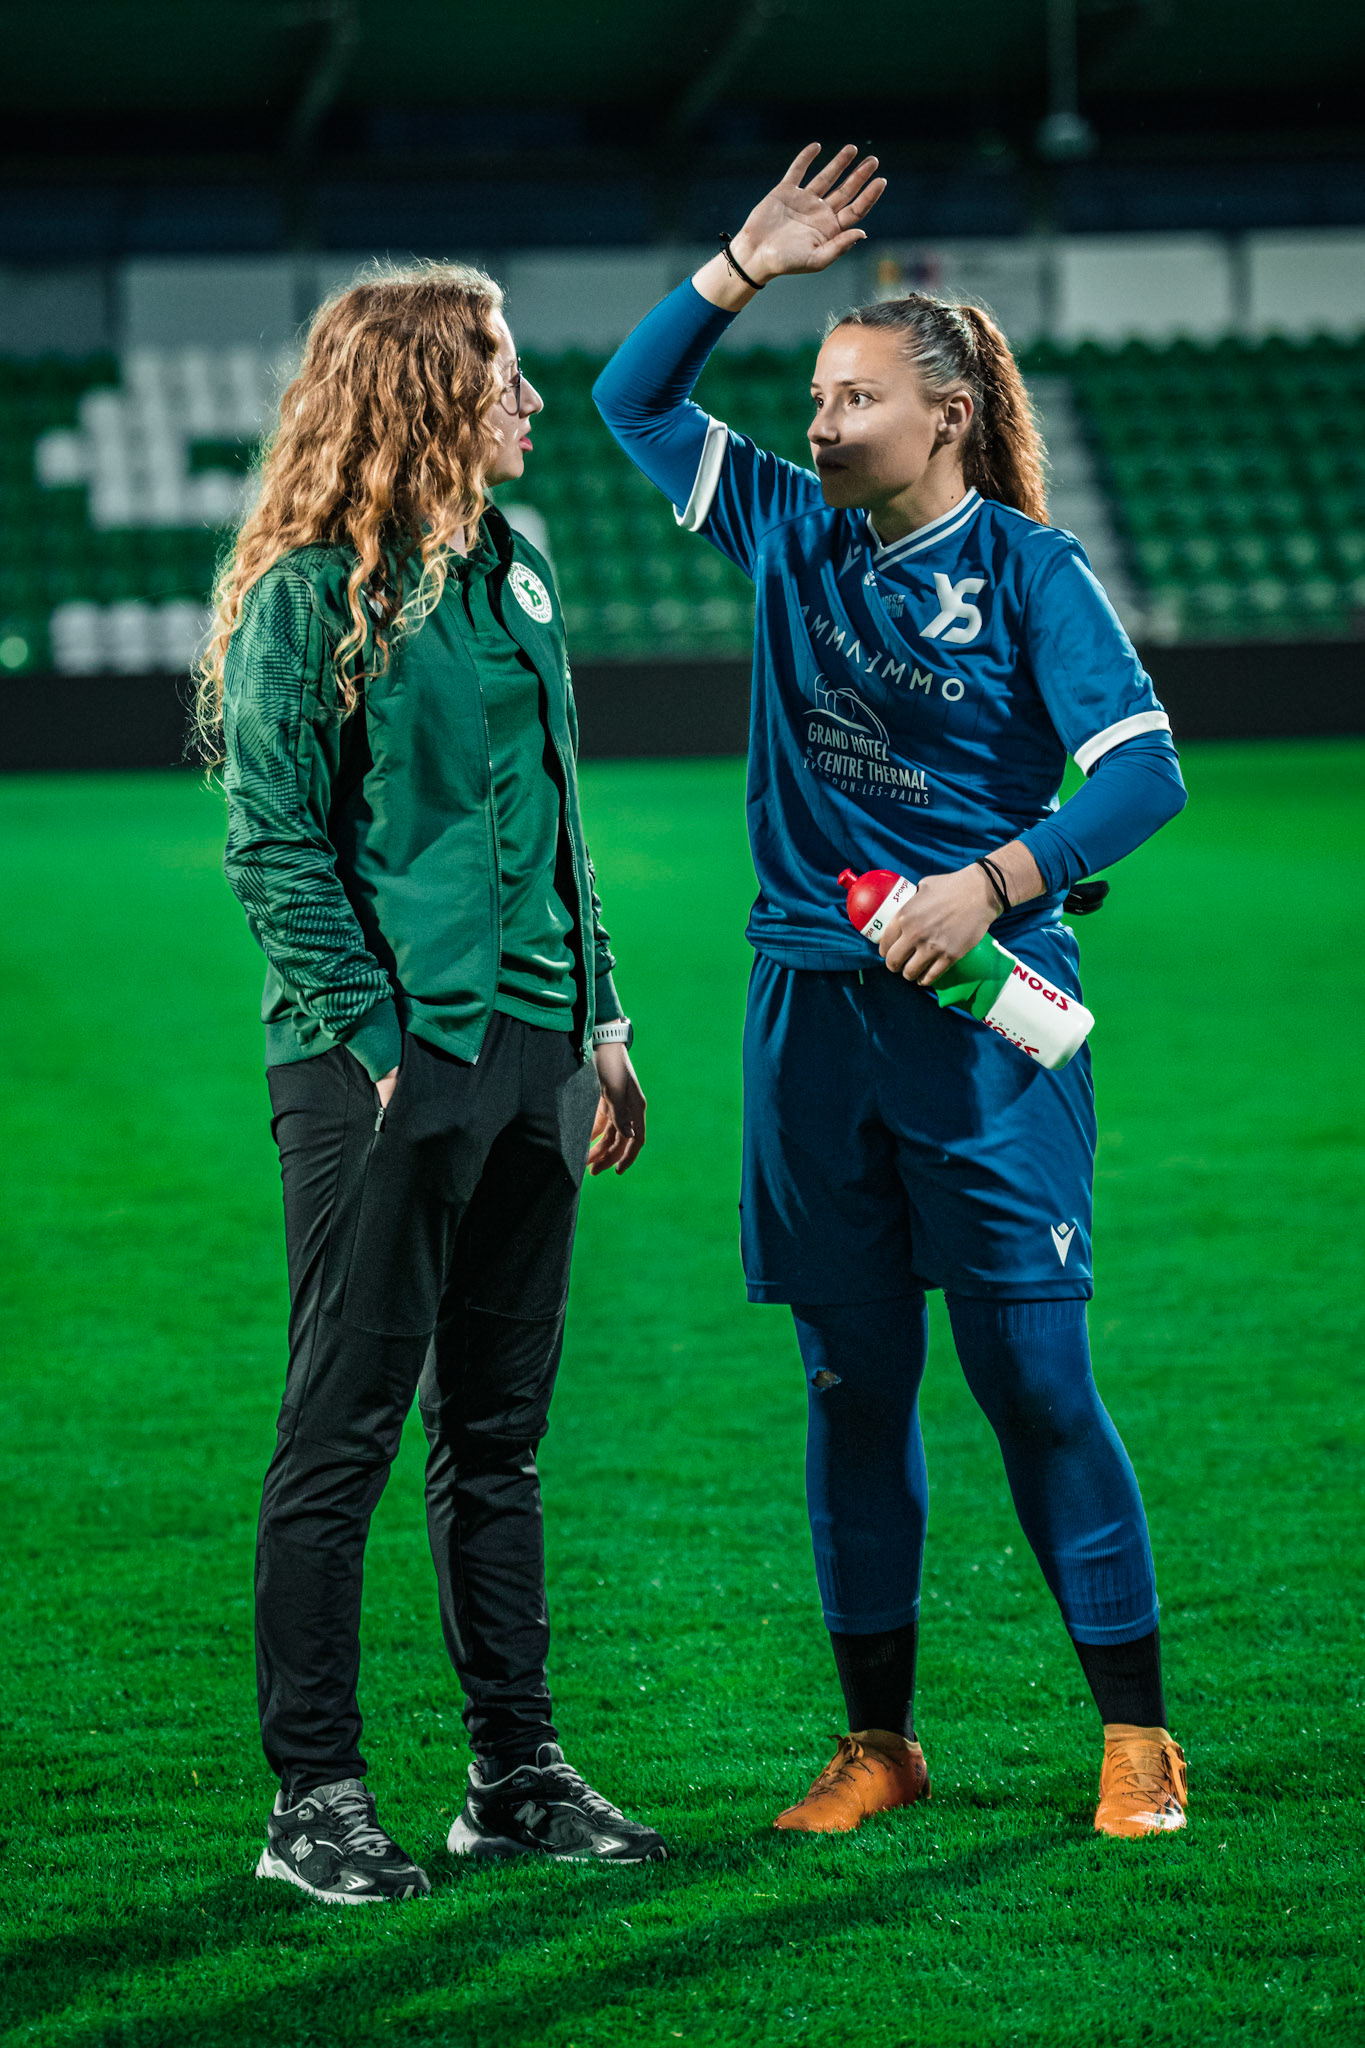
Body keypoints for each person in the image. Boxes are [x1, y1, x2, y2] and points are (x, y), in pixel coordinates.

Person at [594, 148, 1190, 1840]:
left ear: (940, 415)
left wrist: (990, 882)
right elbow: (632, 401)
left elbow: (1142, 776)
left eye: (852, 395)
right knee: (850, 1389)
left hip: (984, 1022)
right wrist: (742, 266)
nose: (820, 419)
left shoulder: (1028, 569)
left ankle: (1134, 1736)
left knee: (1030, 1381)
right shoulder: (788, 529)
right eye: (812, 392)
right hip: (805, 1025)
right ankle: (877, 1743)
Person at [196, 262, 667, 1902]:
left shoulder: (517, 565)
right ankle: (310, 1799)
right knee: (343, 1432)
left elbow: (557, 821)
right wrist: (380, 1043)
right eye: (506, 372)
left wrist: (601, 1022)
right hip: (376, 1071)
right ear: (420, 390)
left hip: (536, 1054)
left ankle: (512, 1773)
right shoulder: (305, 593)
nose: (532, 397)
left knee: (500, 1435)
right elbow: (272, 845)